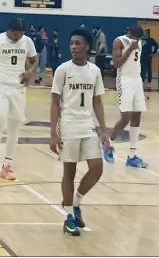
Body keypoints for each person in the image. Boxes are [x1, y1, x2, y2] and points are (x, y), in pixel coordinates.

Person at [50, 28, 109, 236]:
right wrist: (53, 133)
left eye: (78, 43)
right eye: (72, 43)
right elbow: (55, 102)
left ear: (87, 47)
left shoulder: (94, 71)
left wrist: (104, 131)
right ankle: (68, 217)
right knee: (70, 172)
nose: (74, 46)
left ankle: (75, 203)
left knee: (97, 168)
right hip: (68, 124)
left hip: (87, 124)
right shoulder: (62, 70)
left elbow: (98, 101)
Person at [0, 18, 38, 180]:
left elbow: (35, 61)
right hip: (1, 86)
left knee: (14, 126)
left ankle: (7, 166)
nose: (17, 36)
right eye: (15, 33)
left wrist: (30, 72)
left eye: (20, 33)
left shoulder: (27, 42)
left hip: (19, 89)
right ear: (10, 30)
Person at [102, 25, 148, 167]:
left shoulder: (139, 42)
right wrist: (130, 49)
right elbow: (116, 64)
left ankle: (132, 155)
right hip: (124, 80)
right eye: (136, 38)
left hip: (136, 80)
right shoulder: (119, 41)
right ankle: (108, 144)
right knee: (125, 118)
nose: (138, 40)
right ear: (129, 34)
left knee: (137, 117)